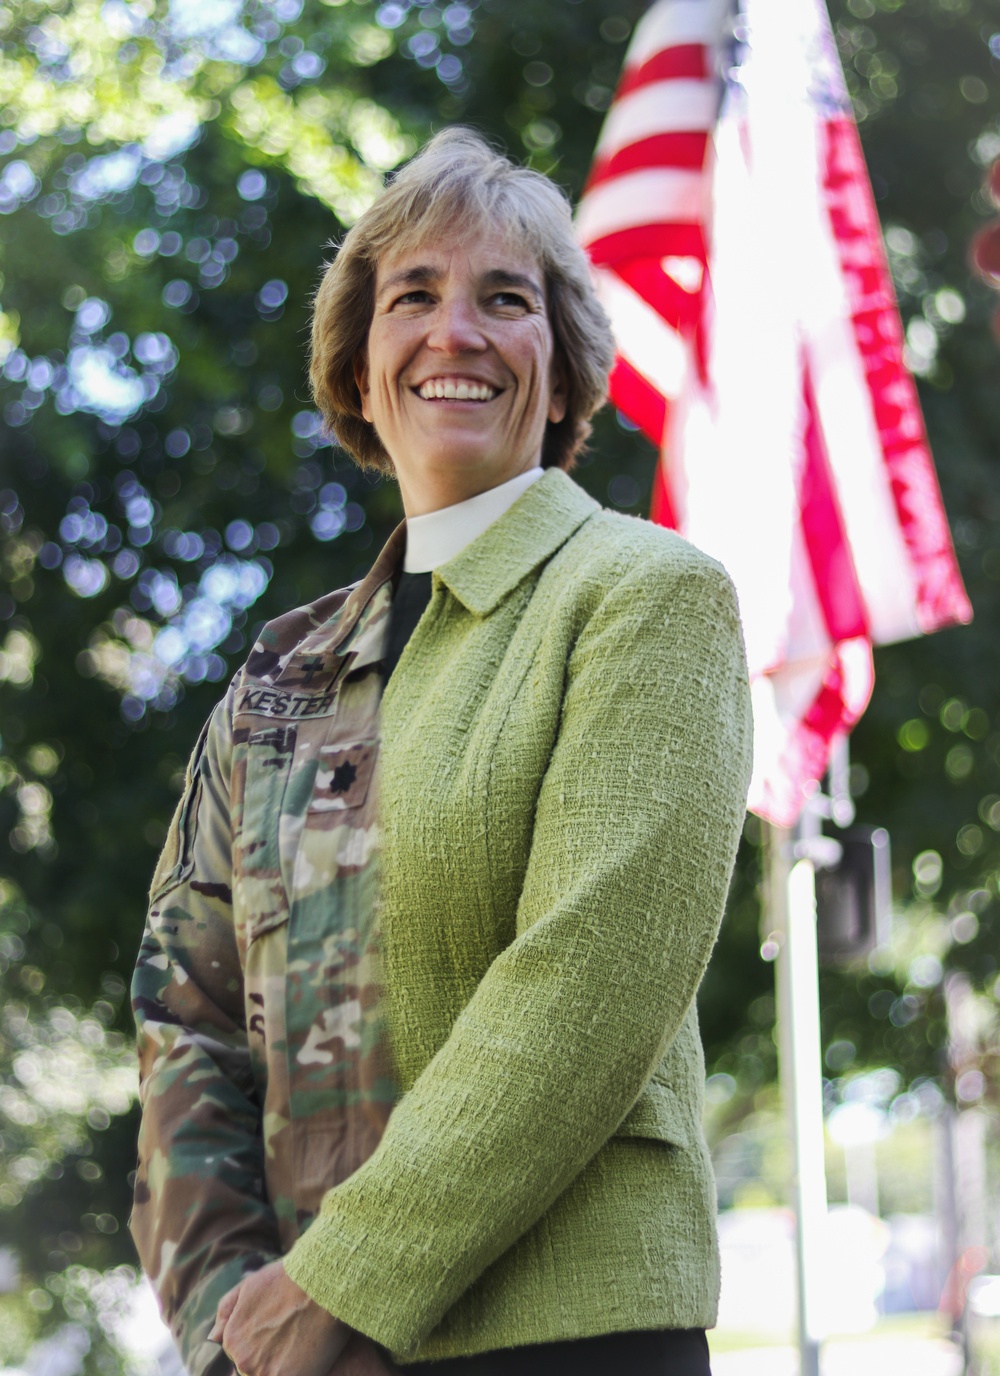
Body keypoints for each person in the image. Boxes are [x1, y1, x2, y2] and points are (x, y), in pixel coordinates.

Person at [130, 127, 753, 1376]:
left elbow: (589, 979)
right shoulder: (277, 678)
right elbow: (182, 1017)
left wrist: (347, 1279)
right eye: (412, 295)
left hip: (567, 1341)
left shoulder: (644, 597)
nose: (454, 331)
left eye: (504, 299)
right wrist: (234, 1329)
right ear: (358, 374)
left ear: (566, 375)